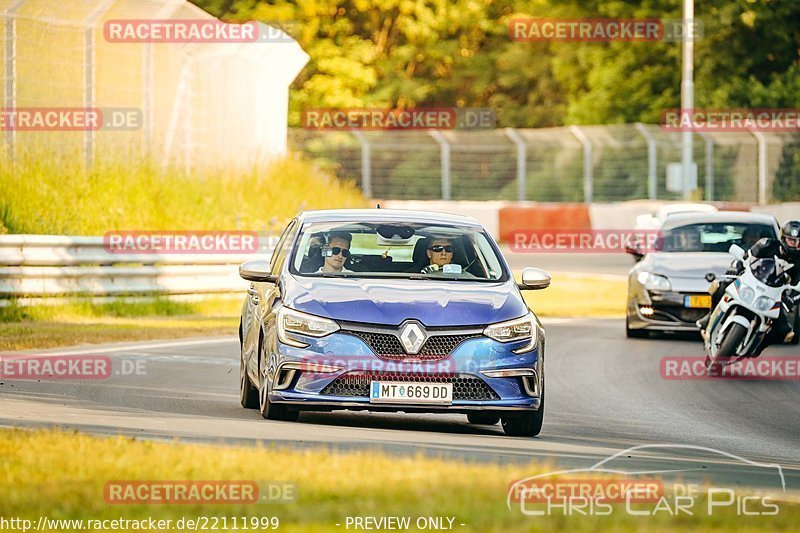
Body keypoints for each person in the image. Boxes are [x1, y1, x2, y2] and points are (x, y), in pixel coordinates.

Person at [698, 220, 800, 348]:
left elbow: (798, 287)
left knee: (785, 332)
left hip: (775, 296)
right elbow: (745, 257)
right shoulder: (766, 244)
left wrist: (791, 299)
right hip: (751, 283)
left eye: (799, 242)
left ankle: (759, 346)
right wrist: (735, 268)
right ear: (784, 238)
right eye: (792, 241)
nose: (796, 245)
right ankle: (709, 317)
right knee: (721, 285)